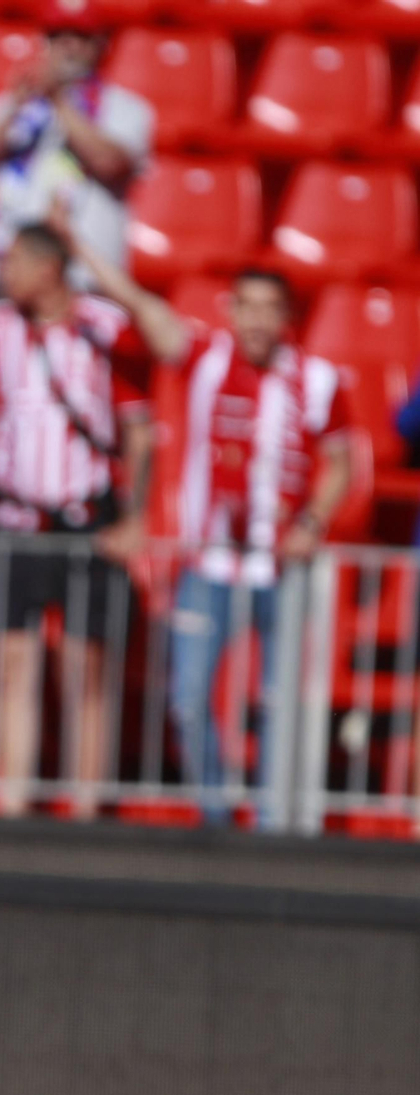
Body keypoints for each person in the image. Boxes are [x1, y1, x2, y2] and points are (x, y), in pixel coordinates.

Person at [70, 240, 352, 814]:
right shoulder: (206, 358)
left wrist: (313, 520)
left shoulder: (319, 380)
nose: (256, 319)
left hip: (280, 568)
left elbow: (342, 462)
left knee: (279, 701)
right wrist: (80, 243)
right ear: (232, 310)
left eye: (268, 307)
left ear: (287, 317)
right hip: (211, 563)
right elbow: (142, 306)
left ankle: (274, 825)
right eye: (245, 305)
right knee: (188, 699)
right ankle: (215, 811)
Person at [0, 221, 151, 815]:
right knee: (13, 662)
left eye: (15, 263)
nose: (3, 276)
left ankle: (87, 805)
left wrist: (133, 516)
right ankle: (14, 798)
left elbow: (141, 428)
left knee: (86, 665)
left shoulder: (105, 326)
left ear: (48, 268)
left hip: (87, 517)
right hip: (17, 516)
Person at [0, 0, 151, 286]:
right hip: (15, 274)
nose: (70, 46)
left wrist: (58, 99)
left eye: (81, 37)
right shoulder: (17, 101)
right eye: (59, 35)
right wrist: (15, 104)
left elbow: (109, 163)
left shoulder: (125, 107)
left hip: (87, 274)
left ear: (100, 43)